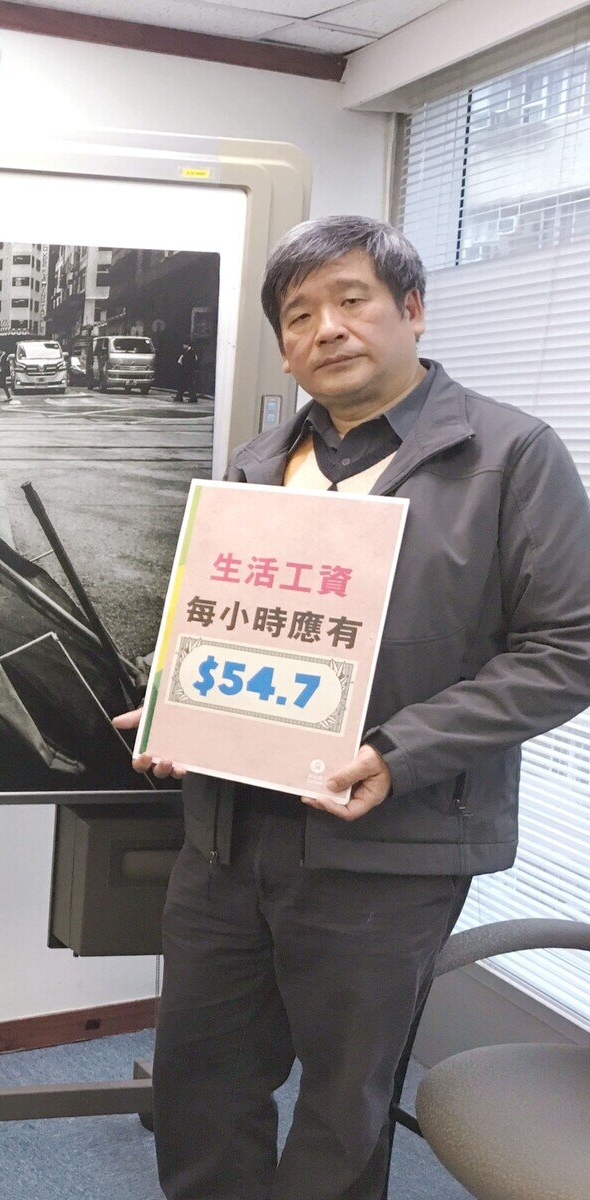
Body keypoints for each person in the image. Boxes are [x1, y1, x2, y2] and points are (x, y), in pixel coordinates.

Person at [113, 215, 590, 1200]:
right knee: (200, 1087)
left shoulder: (510, 457)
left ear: (410, 310)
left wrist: (398, 750)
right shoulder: (252, 464)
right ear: (283, 346)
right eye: (298, 314)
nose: (324, 329)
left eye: (350, 299)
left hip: (389, 847)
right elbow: (226, 627)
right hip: (223, 843)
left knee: (344, 1106)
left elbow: (568, 648)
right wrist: (178, 704)